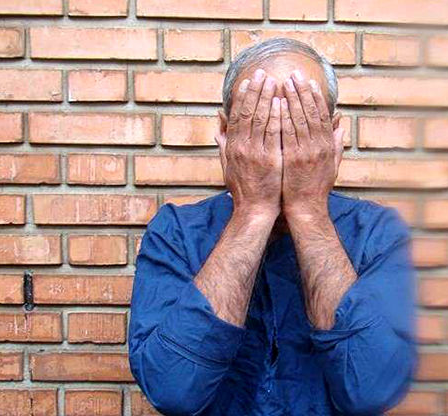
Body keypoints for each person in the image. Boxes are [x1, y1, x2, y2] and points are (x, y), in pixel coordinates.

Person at [128, 38, 418, 416]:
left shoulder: (378, 234)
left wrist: (308, 211)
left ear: (333, 136)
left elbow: (373, 391)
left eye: (301, 125)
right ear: (226, 133)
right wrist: (252, 211)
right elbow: (172, 390)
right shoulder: (176, 233)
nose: (281, 146)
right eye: (260, 125)